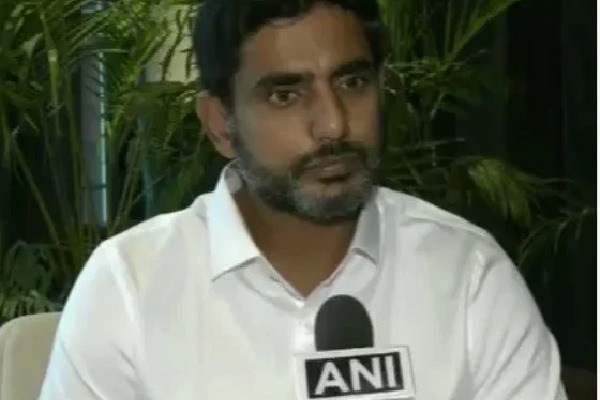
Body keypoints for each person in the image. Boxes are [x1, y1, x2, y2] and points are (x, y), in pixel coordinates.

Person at [39, 0, 568, 399]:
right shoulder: (128, 287)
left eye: (352, 82)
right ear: (220, 123)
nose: (333, 124)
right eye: (285, 95)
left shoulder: (468, 274)